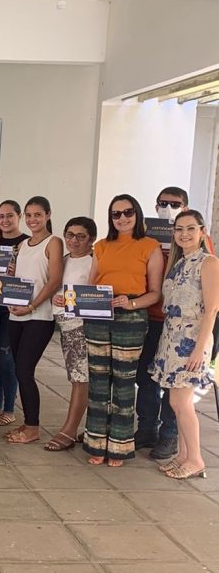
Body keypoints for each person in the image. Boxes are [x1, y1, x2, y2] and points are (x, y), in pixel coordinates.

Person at [84, 194, 163, 467]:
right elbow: (90, 284)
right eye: (116, 214)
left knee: (124, 382)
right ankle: (96, 443)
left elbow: (155, 292)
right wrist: (70, 300)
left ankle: (118, 446)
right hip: (98, 315)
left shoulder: (150, 246)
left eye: (128, 212)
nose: (122, 218)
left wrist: (131, 304)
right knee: (98, 380)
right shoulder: (101, 246)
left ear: (137, 213)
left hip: (131, 316)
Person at [151, 210, 217, 479]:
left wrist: (199, 349)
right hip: (172, 338)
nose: (184, 234)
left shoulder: (208, 262)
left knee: (182, 402)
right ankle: (183, 454)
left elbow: (212, 309)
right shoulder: (178, 263)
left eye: (191, 228)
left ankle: (196, 459)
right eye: (179, 229)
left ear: (202, 232)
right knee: (176, 402)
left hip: (191, 340)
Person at [135, 187, 193, 460]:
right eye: (162, 203)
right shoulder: (148, 238)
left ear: (185, 207)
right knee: (145, 376)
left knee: (172, 381)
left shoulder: (193, 238)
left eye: (175, 204)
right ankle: (147, 428)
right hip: (150, 318)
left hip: (180, 326)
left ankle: (169, 434)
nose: (168, 208)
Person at [4, 196, 63, 444]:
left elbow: (54, 281)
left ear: (48, 215)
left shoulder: (54, 242)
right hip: (16, 315)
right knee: (19, 370)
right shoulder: (22, 245)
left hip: (39, 316)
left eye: (37, 214)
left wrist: (31, 306)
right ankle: (28, 421)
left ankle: (33, 427)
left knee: (24, 370)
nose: (32, 219)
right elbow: (17, 279)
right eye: (28, 215)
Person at [45, 216, 96, 451]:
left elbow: (95, 297)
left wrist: (69, 301)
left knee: (80, 379)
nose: (74, 240)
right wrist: (55, 298)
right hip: (65, 326)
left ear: (91, 239)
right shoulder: (64, 260)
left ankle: (69, 429)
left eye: (80, 236)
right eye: (69, 235)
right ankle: (89, 428)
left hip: (82, 327)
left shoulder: (94, 262)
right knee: (77, 377)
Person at [0, 200, 29, 427]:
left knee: (7, 356)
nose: (5, 220)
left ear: (19, 216)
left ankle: (9, 408)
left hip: (13, 305)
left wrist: (15, 272)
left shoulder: (27, 243)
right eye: (1, 216)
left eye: (10, 215)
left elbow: (31, 277)